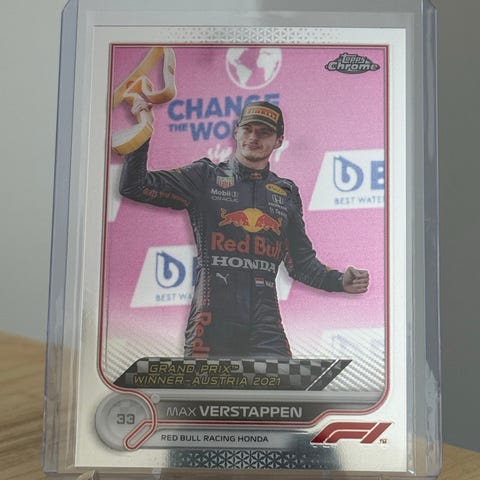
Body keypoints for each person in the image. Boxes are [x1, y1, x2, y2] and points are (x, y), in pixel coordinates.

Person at [120, 99, 369, 358]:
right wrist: (143, 132)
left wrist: (339, 281)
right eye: (248, 129)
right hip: (212, 322)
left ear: (278, 140)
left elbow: (300, 263)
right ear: (236, 132)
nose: (253, 137)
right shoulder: (205, 177)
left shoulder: (285, 192)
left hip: (266, 326)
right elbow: (135, 186)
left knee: (284, 386)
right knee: (205, 387)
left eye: (264, 132)